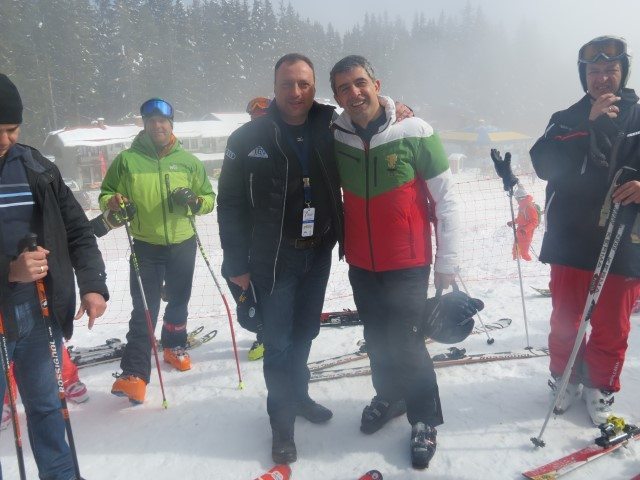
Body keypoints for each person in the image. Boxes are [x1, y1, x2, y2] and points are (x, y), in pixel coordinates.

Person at [330, 55, 460, 470]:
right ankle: (390, 396)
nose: (354, 93)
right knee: (376, 335)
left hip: (408, 260)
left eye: (360, 82)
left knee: (406, 339)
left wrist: (448, 260)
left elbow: (446, 199)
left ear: (376, 84)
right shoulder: (335, 134)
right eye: (344, 88)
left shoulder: (415, 130)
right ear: (337, 97)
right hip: (362, 261)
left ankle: (424, 419)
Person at [218, 53, 343, 464]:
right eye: (287, 84)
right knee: (278, 344)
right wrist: (235, 263)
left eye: (304, 84)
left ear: (314, 87)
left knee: (305, 332)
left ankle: (300, 396)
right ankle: (281, 423)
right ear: (274, 87)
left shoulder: (330, 125)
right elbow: (229, 204)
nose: (296, 92)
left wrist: (400, 108)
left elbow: (371, 116)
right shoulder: (247, 137)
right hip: (273, 258)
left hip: (317, 252)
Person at [0, 73, 108, 479]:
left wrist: (93, 285)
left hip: (38, 309)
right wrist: (9, 270)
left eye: (12, 129)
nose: (5, 139)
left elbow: (77, 230)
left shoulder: (37, 167)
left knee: (47, 408)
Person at [530, 35, 640, 425]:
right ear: (584, 75)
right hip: (570, 238)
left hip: (623, 240)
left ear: (623, 72)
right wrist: (587, 124)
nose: (602, 77)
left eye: (611, 69)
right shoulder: (565, 118)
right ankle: (565, 378)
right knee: (565, 319)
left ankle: (600, 385)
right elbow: (543, 164)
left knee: (612, 323)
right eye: (594, 70)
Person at [100, 98, 215, 405]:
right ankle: (135, 373)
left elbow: (208, 198)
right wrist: (113, 202)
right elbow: (106, 193)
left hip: (183, 242)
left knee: (179, 299)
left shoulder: (188, 161)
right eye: (151, 121)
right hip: (145, 245)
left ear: (171, 124)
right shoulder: (127, 161)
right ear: (145, 125)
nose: (157, 126)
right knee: (145, 308)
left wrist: (195, 202)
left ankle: (174, 345)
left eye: (162, 121)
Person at [507, 183, 539, 261]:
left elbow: (535, 221)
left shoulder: (529, 207)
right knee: (515, 250)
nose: (516, 200)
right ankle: (515, 262)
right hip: (520, 232)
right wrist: (512, 222)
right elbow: (520, 219)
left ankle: (529, 264)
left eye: (516, 198)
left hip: (526, 233)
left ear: (520, 198)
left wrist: (525, 229)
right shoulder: (522, 206)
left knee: (524, 253)